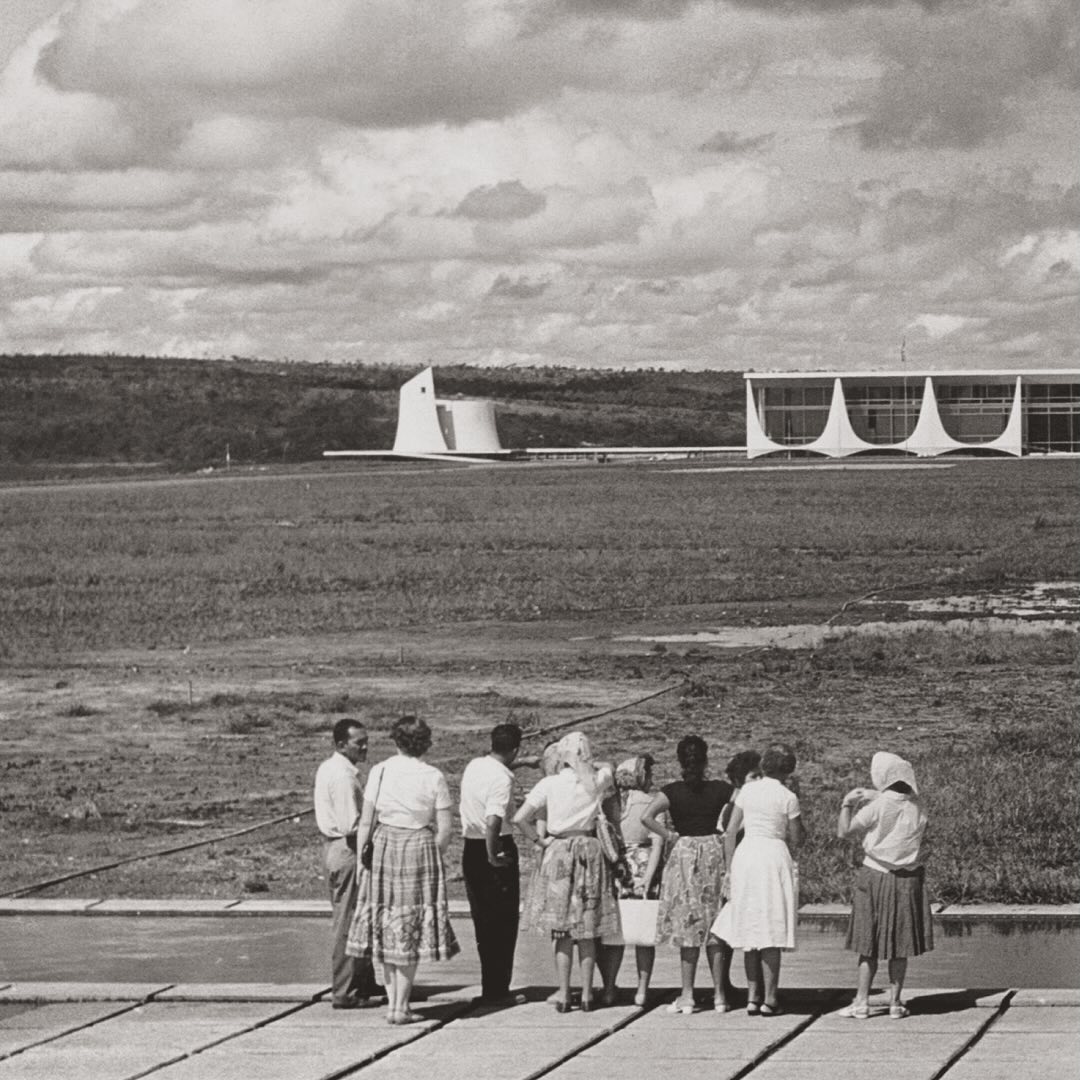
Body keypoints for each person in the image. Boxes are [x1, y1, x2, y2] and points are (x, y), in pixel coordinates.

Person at [346, 716, 459, 1025]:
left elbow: (366, 822)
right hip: (419, 846)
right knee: (409, 927)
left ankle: (393, 1005)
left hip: (383, 844)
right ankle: (401, 1005)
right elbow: (446, 829)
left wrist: (360, 862)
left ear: (395, 741)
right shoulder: (433, 776)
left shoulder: (380, 771)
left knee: (385, 923)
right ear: (425, 743)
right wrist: (430, 854)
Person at [514, 732, 621, 1012]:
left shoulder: (548, 783)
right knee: (587, 928)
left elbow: (519, 818)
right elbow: (610, 766)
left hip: (559, 850)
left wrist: (540, 840)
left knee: (562, 929)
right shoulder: (597, 780)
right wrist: (588, 762)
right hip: (589, 849)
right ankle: (587, 993)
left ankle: (563, 992)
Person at [836, 751, 932, 1020]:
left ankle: (862, 1001)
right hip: (908, 880)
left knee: (869, 943)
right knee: (900, 945)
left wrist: (846, 804)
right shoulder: (919, 806)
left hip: (875, 875)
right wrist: (876, 795)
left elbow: (845, 832)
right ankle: (895, 1002)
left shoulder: (877, 808)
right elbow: (901, 801)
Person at [641, 735, 733, 1014]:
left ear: (680, 761)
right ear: (706, 760)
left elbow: (645, 816)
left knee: (688, 927)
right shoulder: (720, 789)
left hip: (684, 854)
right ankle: (719, 995)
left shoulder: (672, 791)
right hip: (713, 852)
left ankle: (687, 994)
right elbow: (742, 807)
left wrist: (668, 834)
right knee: (716, 926)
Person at [719, 743, 806, 1017]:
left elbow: (731, 831)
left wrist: (730, 868)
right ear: (788, 770)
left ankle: (752, 997)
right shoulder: (788, 797)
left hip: (746, 856)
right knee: (771, 927)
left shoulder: (747, 790)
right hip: (773, 855)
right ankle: (770, 997)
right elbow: (797, 838)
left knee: (749, 927)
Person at [312, 718, 380, 1009]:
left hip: (339, 848)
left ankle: (363, 982)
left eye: (365, 740)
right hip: (348, 848)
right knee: (349, 921)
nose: (364, 747)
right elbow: (353, 825)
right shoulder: (342, 777)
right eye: (358, 742)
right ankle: (346, 991)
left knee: (358, 917)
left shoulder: (337, 769)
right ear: (341, 745)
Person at [459, 722, 528, 1007]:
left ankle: (492, 984)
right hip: (494, 846)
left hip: (469, 848)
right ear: (515, 748)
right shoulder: (503, 780)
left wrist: (523, 762)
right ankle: (498, 988)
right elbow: (493, 819)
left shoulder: (475, 765)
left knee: (483, 921)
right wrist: (494, 854)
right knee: (503, 921)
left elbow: (500, 765)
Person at [598, 754, 665, 1007]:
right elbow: (658, 843)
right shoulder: (652, 803)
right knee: (644, 936)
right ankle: (642, 990)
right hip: (644, 867)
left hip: (617, 869)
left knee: (615, 935)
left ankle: (609, 988)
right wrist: (648, 877)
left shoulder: (609, 804)